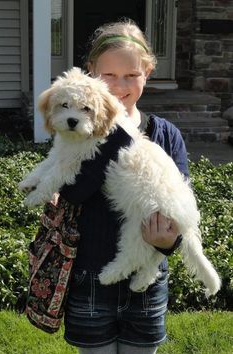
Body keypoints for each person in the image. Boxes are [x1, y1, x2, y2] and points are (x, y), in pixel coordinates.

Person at [60, 19, 189, 354]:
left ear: (147, 71)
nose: (120, 85)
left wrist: (169, 242)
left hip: (147, 283)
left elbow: (179, 204)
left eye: (132, 74)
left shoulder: (164, 135)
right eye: (109, 75)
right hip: (90, 277)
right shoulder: (77, 130)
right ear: (90, 73)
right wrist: (112, 141)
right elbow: (71, 194)